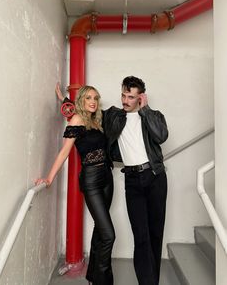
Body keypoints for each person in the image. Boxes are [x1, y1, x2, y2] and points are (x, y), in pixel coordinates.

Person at [35, 85, 115, 285]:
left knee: (100, 230)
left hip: (107, 177)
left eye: (96, 97)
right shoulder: (77, 119)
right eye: (88, 97)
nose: (93, 101)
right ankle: (103, 282)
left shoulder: (97, 120)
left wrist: (63, 98)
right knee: (108, 235)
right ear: (82, 100)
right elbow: (64, 153)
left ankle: (93, 278)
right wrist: (49, 178)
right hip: (91, 180)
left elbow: (70, 105)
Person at [102, 76, 168, 285]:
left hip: (156, 177)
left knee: (155, 234)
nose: (125, 100)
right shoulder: (113, 116)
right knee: (141, 237)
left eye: (130, 96)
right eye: (123, 94)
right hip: (132, 180)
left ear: (140, 97)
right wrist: (66, 102)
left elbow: (161, 136)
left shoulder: (154, 116)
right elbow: (88, 111)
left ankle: (152, 281)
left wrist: (145, 111)